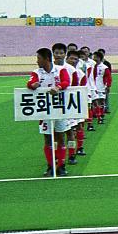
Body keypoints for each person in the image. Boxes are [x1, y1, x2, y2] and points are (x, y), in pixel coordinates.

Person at [27, 47, 71, 176]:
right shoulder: (37, 72)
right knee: (47, 138)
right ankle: (51, 166)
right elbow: (30, 82)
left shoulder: (60, 70)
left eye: (39, 58)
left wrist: (58, 87)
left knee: (60, 137)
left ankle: (61, 165)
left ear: (46, 58)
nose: (37, 61)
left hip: (59, 108)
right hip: (44, 110)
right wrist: (33, 85)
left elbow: (66, 81)